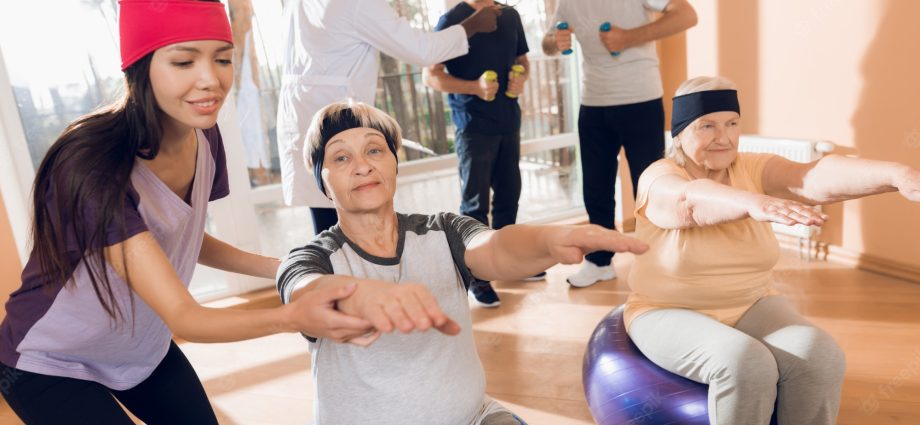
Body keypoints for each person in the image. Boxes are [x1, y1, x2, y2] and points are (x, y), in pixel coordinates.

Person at [0, 2, 373, 423]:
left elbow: (183, 233)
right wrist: (292, 317)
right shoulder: (91, 165)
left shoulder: (204, 136)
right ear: (139, 68)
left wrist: (287, 266)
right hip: (49, 359)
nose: (210, 80)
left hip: (139, 345)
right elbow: (186, 317)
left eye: (223, 58)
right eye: (183, 61)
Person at [276, 101, 649, 424]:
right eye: (341, 157)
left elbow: (496, 248)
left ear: (393, 162)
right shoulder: (314, 258)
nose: (362, 166)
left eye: (375, 150)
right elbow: (305, 292)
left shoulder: (443, 230)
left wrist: (549, 240)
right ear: (322, 182)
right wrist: (358, 298)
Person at [625, 76, 920, 424]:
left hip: (751, 303)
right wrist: (752, 202)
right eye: (707, 126)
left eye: (732, 123)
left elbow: (811, 176)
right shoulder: (658, 176)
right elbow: (689, 201)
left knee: (822, 357)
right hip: (667, 309)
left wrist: (897, 175)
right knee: (745, 362)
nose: (724, 137)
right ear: (679, 133)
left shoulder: (750, 167)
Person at [277, 0, 502, 235]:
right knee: (343, 223)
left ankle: (340, 270)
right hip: (333, 121)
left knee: (329, 217)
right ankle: (344, 271)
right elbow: (421, 50)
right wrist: (471, 26)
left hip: (304, 113)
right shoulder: (355, 4)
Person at [542, 0, 697, 287]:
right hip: (593, 103)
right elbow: (548, 43)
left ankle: (661, 261)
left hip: (641, 100)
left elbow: (686, 15)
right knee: (596, 189)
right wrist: (555, 40)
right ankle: (599, 262)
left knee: (651, 186)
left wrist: (628, 37)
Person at [423, 0, 532, 308]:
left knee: (510, 196)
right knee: (475, 205)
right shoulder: (453, 20)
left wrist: (521, 76)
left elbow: (522, 59)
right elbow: (430, 76)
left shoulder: (510, 15)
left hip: (508, 122)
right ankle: (478, 277)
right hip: (472, 127)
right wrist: (473, 87)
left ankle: (509, 262)